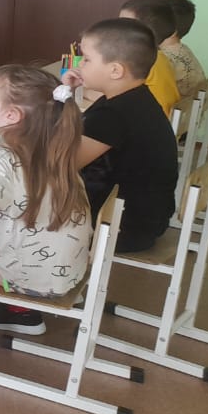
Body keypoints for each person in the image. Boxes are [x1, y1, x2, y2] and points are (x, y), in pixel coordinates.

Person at [0, 65, 92, 336]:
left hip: (29, 280)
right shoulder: (58, 155)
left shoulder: (4, 162)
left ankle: (16, 309)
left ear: (11, 115)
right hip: (70, 273)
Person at [62, 18, 178, 253]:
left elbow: (60, 164)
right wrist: (67, 93)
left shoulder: (114, 115)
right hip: (142, 219)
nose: (80, 65)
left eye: (87, 59)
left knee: (5, 212)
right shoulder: (134, 97)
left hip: (119, 227)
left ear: (115, 70)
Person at [119, 0, 181, 115]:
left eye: (124, 24)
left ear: (144, 32)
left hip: (146, 122)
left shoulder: (139, 61)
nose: (115, 27)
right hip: (161, 120)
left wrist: (81, 91)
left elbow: (108, 95)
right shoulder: (160, 57)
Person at [156, 0, 206, 101]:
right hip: (191, 110)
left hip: (174, 110)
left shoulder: (162, 58)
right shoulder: (183, 49)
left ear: (172, 29)